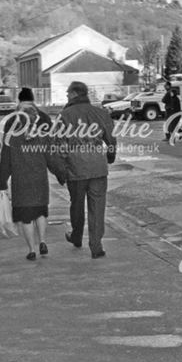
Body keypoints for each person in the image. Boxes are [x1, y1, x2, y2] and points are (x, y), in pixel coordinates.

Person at [0, 89, 65, 261]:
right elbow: (52, 159)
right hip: (39, 180)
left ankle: (31, 250)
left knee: (26, 218)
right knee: (41, 213)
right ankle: (43, 241)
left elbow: (5, 162)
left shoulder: (11, 138)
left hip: (21, 182)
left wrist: (2, 182)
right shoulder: (42, 137)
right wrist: (61, 174)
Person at [58, 81, 115, 259]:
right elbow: (111, 140)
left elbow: (59, 145)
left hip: (76, 168)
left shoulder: (65, 115)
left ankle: (76, 235)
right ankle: (96, 245)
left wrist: (61, 168)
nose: (66, 95)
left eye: (68, 93)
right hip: (98, 166)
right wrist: (109, 157)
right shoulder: (101, 113)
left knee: (76, 205)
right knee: (97, 207)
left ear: (75, 94)